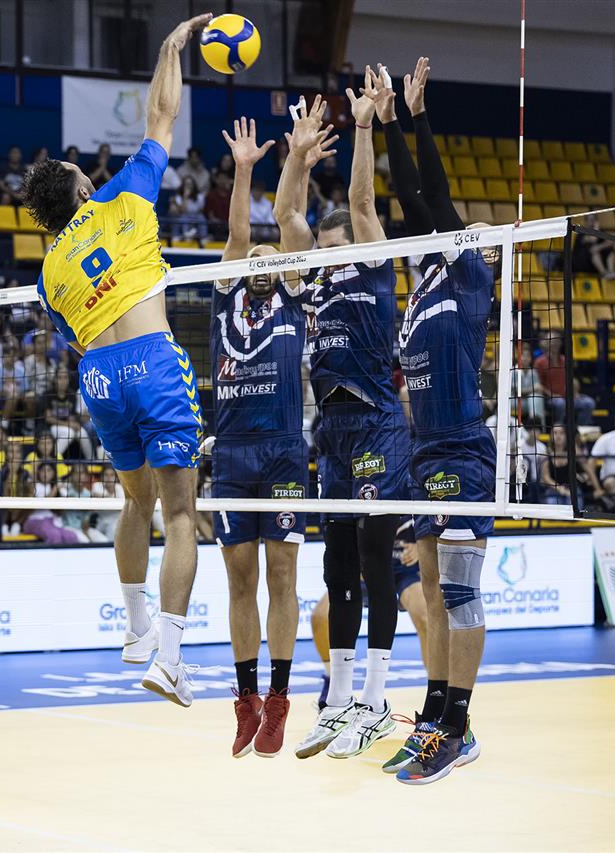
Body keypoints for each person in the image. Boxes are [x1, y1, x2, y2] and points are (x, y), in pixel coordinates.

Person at [19, 12, 212, 707]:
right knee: (181, 512)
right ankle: (169, 658)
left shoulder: (47, 274)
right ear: (81, 191)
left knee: (136, 500)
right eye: (81, 172)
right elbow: (163, 114)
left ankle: (134, 627)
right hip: (152, 360)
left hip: (98, 376)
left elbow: (74, 335)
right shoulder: (125, 193)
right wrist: (171, 49)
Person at [277, 90, 407, 759]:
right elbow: (286, 218)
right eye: (323, 250)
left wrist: (361, 127)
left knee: (375, 558)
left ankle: (376, 702)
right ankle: (338, 700)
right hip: (331, 432)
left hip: (378, 423)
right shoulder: (314, 286)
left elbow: (360, 203)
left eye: (337, 248)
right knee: (335, 567)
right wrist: (297, 158)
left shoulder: (374, 266)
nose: (328, 256)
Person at [374, 57, 488, 782]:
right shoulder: (423, 284)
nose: (453, 229)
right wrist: (387, 121)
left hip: (462, 448)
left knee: (461, 592)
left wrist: (417, 118)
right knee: (436, 597)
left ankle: (459, 726)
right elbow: (410, 199)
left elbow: (434, 198)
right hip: (423, 452)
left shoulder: (470, 273)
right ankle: (437, 714)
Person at [207, 116, 312, 759]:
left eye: (273, 257)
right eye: (255, 258)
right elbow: (239, 236)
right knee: (239, 580)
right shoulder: (225, 295)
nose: (262, 259)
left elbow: (289, 228)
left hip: (282, 452)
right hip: (232, 455)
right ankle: (245, 700)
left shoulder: (293, 296)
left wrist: (294, 163)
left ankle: (278, 700)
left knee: (283, 576)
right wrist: (243, 170)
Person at [310, 519, 430, 711]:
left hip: (401, 561)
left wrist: (422, 546)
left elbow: (431, 514)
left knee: (425, 615)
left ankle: (435, 693)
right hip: (364, 560)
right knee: (320, 616)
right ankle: (332, 679)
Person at [542, 423, 607, 509]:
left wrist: (597, 489)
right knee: (553, 510)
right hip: (553, 489)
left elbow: (588, 469)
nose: (558, 436)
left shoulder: (574, 451)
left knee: (575, 510)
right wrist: (560, 489)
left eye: (561, 433)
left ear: (566, 436)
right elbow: (546, 477)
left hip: (573, 488)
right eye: (555, 433)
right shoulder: (547, 453)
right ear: (551, 436)